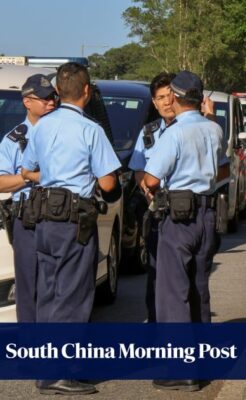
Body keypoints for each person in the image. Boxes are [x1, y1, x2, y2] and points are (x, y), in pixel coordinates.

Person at [21, 62, 121, 395]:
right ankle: (58, 373)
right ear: (87, 91)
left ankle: (48, 367)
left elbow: (29, 167)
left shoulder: (42, 127)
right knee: (73, 297)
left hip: (44, 218)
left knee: (48, 295)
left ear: (59, 91)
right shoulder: (91, 129)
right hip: (74, 220)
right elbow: (108, 183)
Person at [143, 70, 222, 392]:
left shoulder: (173, 134)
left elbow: (150, 178)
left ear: (174, 97)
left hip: (178, 215)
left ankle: (181, 369)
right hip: (207, 213)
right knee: (198, 289)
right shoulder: (215, 129)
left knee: (172, 292)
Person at [0, 74, 57, 322]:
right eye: (44, 99)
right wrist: (31, 177)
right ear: (27, 102)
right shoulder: (14, 140)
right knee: (29, 289)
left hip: (61, 217)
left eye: (53, 97)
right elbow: (1, 182)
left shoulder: (65, 134)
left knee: (60, 288)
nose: (51, 103)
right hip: (29, 219)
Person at [128, 72, 176, 323]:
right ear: (154, 103)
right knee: (156, 272)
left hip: (184, 212)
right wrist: (146, 189)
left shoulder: (191, 129)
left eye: (170, 95)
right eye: (161, 98)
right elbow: (137, 168)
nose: (167, 102)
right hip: (157, 212)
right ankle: (155, 322)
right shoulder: (148, 133)